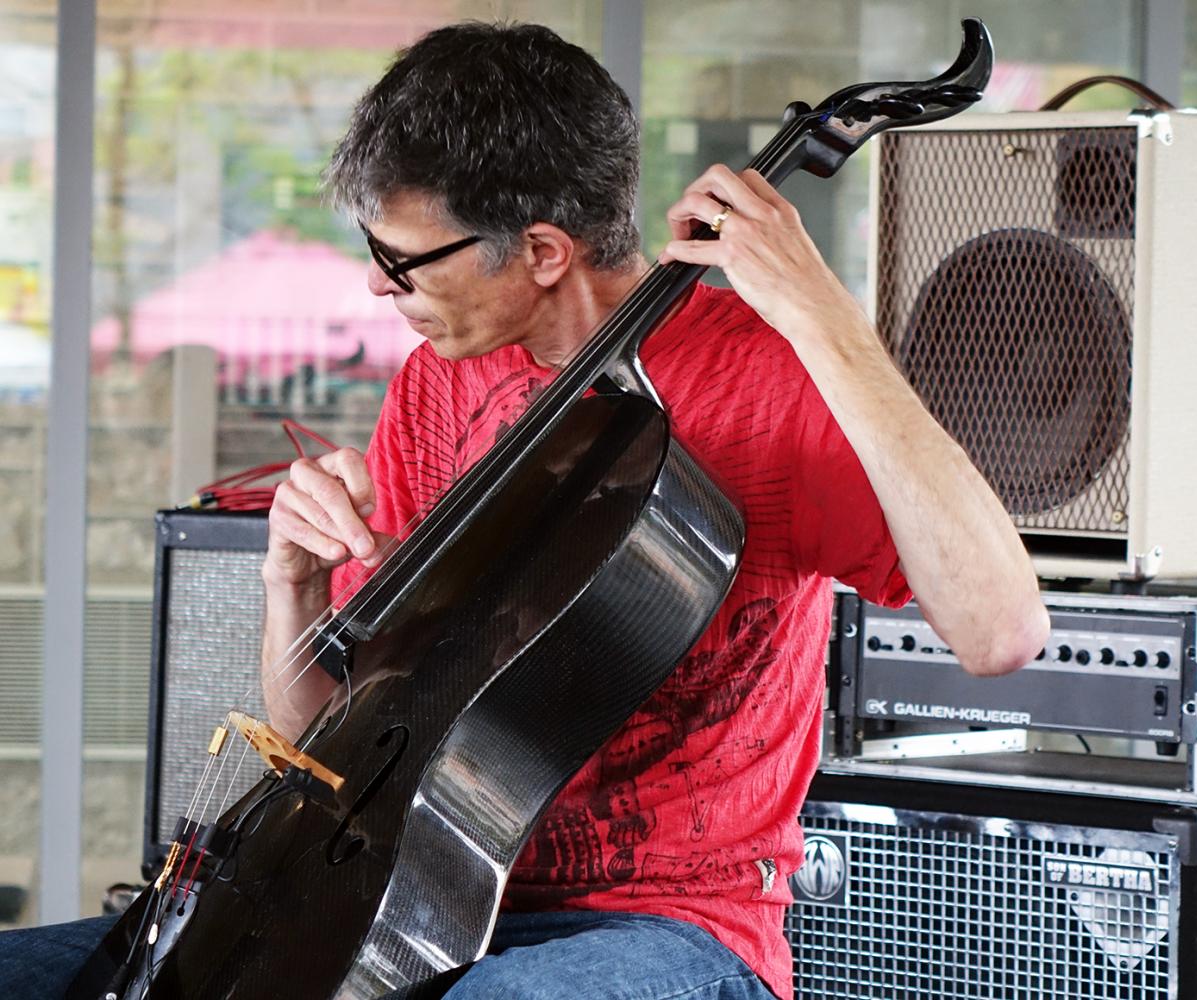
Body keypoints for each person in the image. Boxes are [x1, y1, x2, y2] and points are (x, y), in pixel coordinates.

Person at [0, 20, 1048, 1000]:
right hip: (405, 901)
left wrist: (828, 321)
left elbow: (1003, 632)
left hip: (671, 927)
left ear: (543, 251)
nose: (378, 289)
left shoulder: (772, 385)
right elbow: (337, 748)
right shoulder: (436, 380)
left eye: (401, 260)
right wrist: (294, 587)